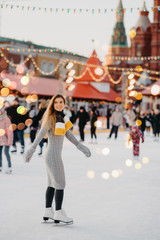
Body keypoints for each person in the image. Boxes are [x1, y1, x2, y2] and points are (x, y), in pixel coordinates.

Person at [24, 94, 91, 224]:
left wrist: (80, 146)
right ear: (53, 105)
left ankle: (48, 210)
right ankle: (59, 213)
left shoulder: (61, 117)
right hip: (52, 156)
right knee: (60, 183)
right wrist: (32, 149)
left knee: (52, 184)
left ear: (64, 103)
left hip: (52, 155)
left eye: (61, 102)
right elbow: (41, 133)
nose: (59, 104)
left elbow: (68, 134)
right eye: (56, 103)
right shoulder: (51, 118)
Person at [0, 107, 13, 173]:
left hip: (6, 139)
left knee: (6, 152)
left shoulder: (6, 119)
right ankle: (0, 166)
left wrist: (9, 141)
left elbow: (9, 131)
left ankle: (9, 167)